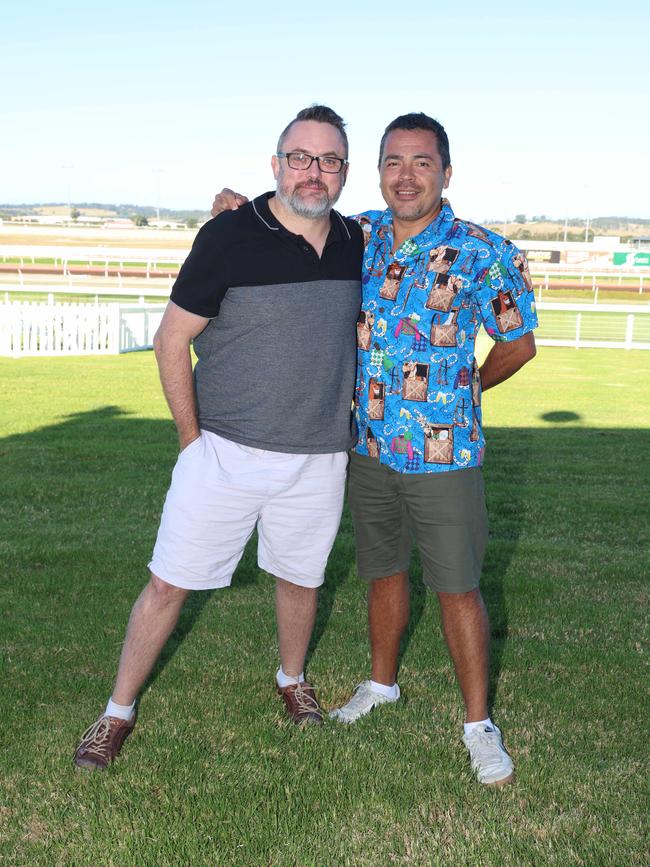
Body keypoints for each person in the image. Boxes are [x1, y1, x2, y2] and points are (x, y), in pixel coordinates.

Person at [212, 112, 537, 787]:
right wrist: (237, 210)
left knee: (457, 588)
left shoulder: (481, 250)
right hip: (367, 447)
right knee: (382, 572)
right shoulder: (359, 234)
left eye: (422, 162)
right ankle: (381, 683)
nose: (406, 175)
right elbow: (293, 213)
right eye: (394, 161)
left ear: (446, 173)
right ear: (378, 170)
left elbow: (518, 341)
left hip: (445, 457)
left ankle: (479, 724)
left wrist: (469, 385)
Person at [73, 105, 363, 771]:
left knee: (300, 579)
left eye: (328, 160)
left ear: (344, 172)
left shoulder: (355, 239)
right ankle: (116, 712)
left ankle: (292, 680)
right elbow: (171, 339)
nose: (313, 172)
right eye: (300, 157)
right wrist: (190, 439)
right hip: (223, 452)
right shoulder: (230, 235)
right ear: (275, 164)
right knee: (168, 583)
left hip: (319, 454)